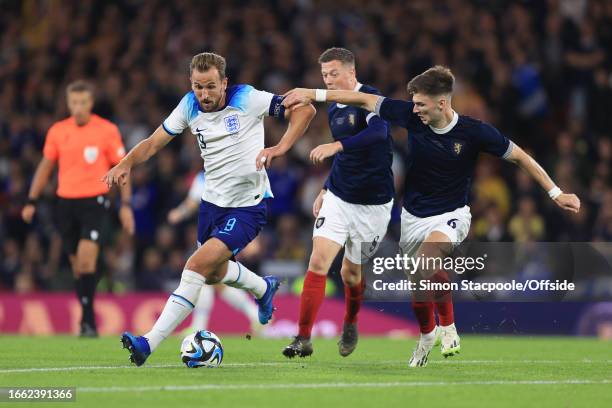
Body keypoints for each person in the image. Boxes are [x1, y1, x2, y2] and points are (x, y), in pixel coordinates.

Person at [283, 65, 580, 367]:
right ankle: (427, 335)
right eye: (414, 103)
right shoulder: (412, 117)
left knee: (429, 261)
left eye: (421, 104)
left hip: (452, 215)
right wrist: (314, 94)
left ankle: (449, 328)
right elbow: (362, 100)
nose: (416, 109)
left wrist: (556, 193)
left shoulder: (474, 132)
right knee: (419, 286)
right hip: (413, 218)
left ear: (442, 103)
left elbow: (520, 157)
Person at [104, 52, 316, 366]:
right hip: (211, 205)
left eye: (210, 87)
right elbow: (153, 142)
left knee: (194, 268)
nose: (204, 94)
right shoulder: (188, 105)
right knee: (214, 274)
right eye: (198, 86)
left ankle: (147, 343)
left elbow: (306, 109)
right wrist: (126, 163)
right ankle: (262, 287)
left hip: (247, 207)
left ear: (224, 83)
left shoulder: (248, 98)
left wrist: (280, 146)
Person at [279, 48, 394, 358]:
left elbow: (380, 132)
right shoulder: (334, 108)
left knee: (350, 274)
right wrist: (326, 188)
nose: (328, 80)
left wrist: (337, 144)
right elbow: (346, 159)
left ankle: (351, 322)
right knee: (317, 262)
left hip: (373, 205)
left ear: (350, 74)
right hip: (340, 197)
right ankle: (303, 338)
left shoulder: (370, 96)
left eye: (333, 74)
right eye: (324, 75)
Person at [21, 80, 135, 337]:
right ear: (68, 103)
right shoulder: (58, 131)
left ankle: (88, 323)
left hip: (95, 201)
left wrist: (126, 204)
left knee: (86, 258)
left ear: (91, 103)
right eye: (74, 102)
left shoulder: (106, 130)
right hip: (65, 204)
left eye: (83, 102)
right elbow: (45, 167)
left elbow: (123, 168)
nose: (79, 107)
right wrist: (31, 200)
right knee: (77, 266)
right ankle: (87, 316)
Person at [168, 171, 262, 336]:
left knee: (205, 275)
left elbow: (192, 204)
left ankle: (200, 325)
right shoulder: (207, 176)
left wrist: (179, 213)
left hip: (225, 233)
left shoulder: (218, 174)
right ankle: (256, 315)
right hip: (219, 232)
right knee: (212, 279)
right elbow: (193, 202)